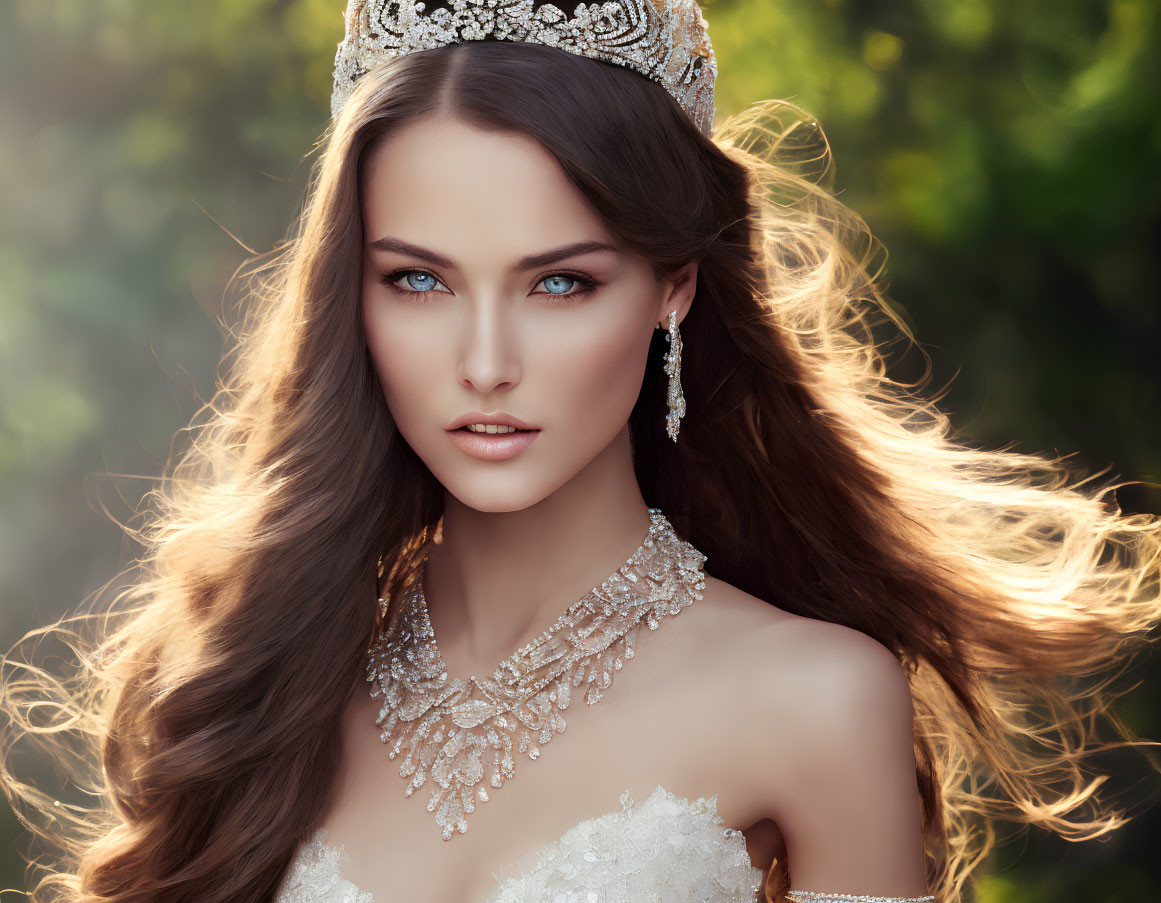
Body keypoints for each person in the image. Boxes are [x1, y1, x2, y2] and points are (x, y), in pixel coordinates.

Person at [3, 0, 1160, 901]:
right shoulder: (262, 682)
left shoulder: (815, 700)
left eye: (560, 281)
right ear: (349, 300)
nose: (487, 360)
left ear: (673, 290)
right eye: (419, 280)